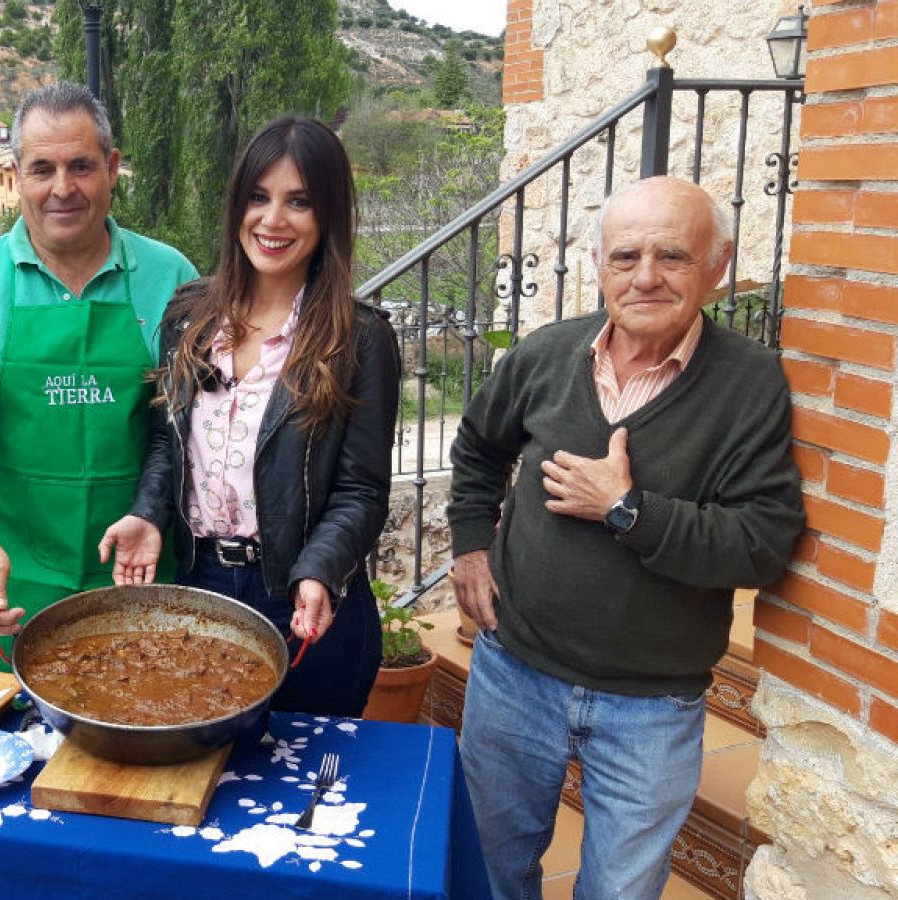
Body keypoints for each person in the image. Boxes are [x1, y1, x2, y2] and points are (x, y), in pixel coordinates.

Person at [447, 176, 804, 898]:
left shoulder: (749, 384)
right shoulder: (546, 356)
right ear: (599, 266)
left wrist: (626, 509)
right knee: (489, 871)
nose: (645, 277)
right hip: (515, 674)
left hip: (651, 705)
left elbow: (762, 543)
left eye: (672, 255)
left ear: (718, 264)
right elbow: (479, 449)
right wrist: (468, 546)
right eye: (625, 257)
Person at [98, 117, 400, 716]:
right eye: (258, 197)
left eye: (299, 202)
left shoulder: (361, 338)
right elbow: (168, 444)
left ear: (329, 215)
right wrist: (148, 514)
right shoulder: (189, 317)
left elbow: (361, 490)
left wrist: (318, 570)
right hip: (200, 589)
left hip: (305, 599)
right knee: (207, 771)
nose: (272, 220)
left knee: (305, 789)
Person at [0, 82, 198, 669]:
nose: (62, 188)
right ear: (17, 172)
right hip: (15, 583)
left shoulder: (171, 275)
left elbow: (183, 425)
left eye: (81, 166)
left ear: (113, 168)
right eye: (42, 168)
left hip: (137, 576)